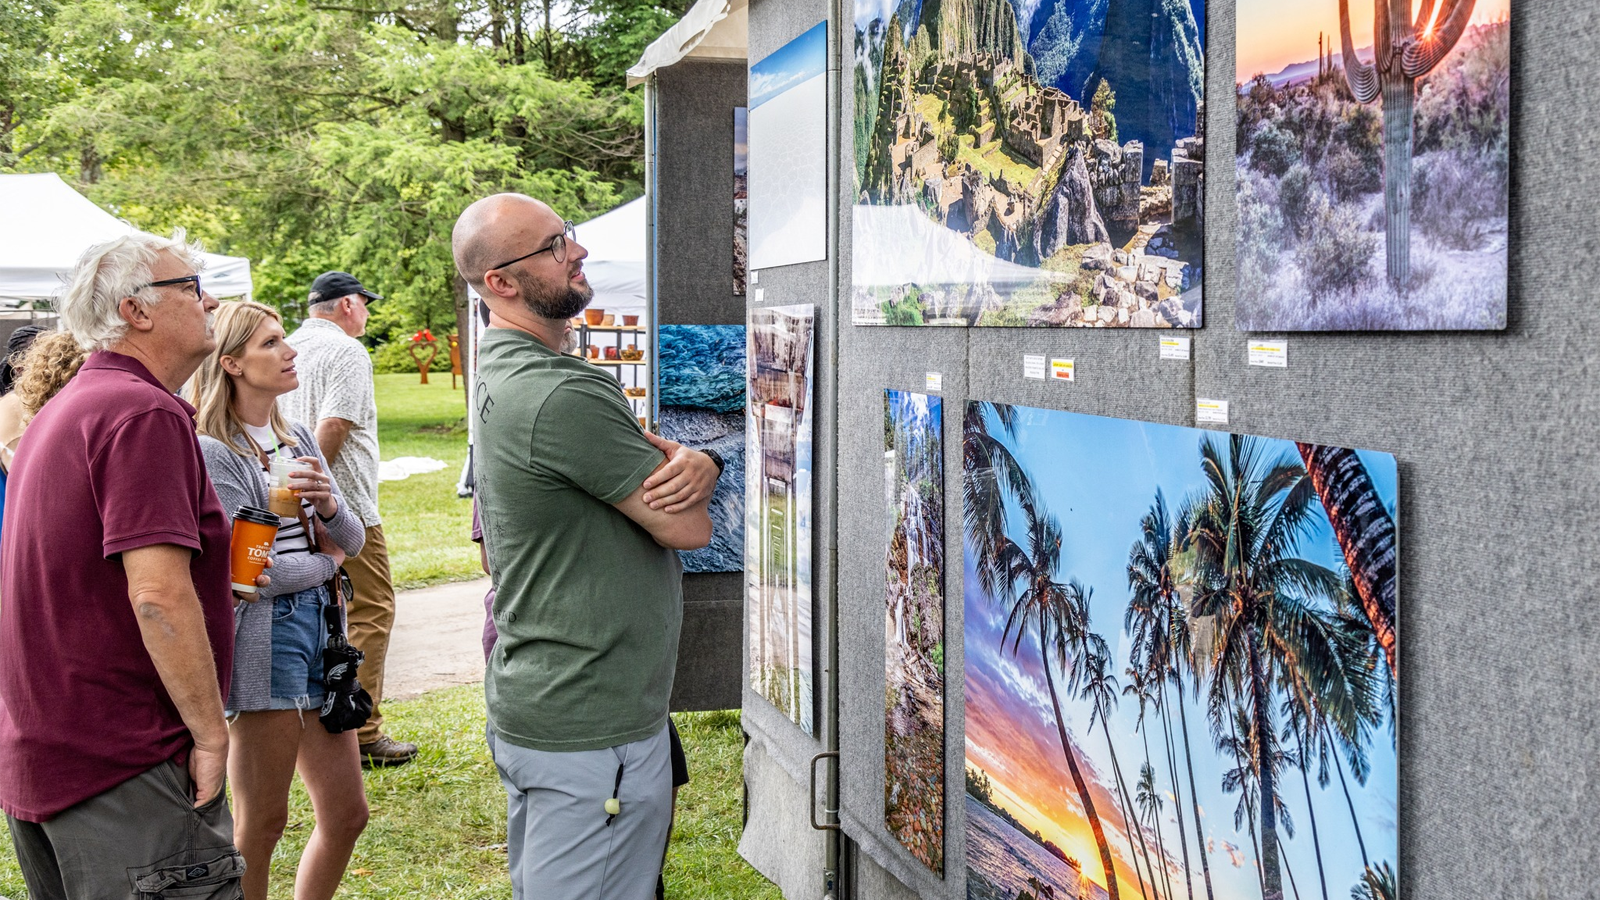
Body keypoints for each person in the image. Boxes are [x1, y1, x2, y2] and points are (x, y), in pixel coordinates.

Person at [452, 192, 720, 899]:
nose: (577, 250)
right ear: (500, 283)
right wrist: (700, 466)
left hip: (556, 699)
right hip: (590, 724)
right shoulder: (561, 393)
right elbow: (689, 528)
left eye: (564, 234)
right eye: (551, 246)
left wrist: (701, 463)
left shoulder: (501, 369)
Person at [0, 231, 249, 898]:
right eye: (191, 288)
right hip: (127, 765)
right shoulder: (140, 412)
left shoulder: (65, 409)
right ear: (135, 310)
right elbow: (157, 595)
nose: (210, 301)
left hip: (53, 762)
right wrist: (210, 735)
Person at [191, 300, 370, 900]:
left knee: (347, 814)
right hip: (266, 639)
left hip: (322, 632)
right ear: (232, 363)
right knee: (262, 824)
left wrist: (329, 506)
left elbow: (354, 539)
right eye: (271, 343)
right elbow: (249, 576)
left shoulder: (296, 438)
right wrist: (326, 563)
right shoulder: (217, 451)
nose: (290, 351)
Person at [278, 271, 417, 767]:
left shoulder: (287, 346)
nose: (367, 313)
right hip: (342, 506)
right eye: (365, 303)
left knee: (317, 612)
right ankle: (362, 730)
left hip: (288, 502)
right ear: (347, 305)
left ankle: (312, 721)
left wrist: (289, 496)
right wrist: (320, 496)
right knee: (371, 610)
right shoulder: (347, 351)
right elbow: (333, 423)